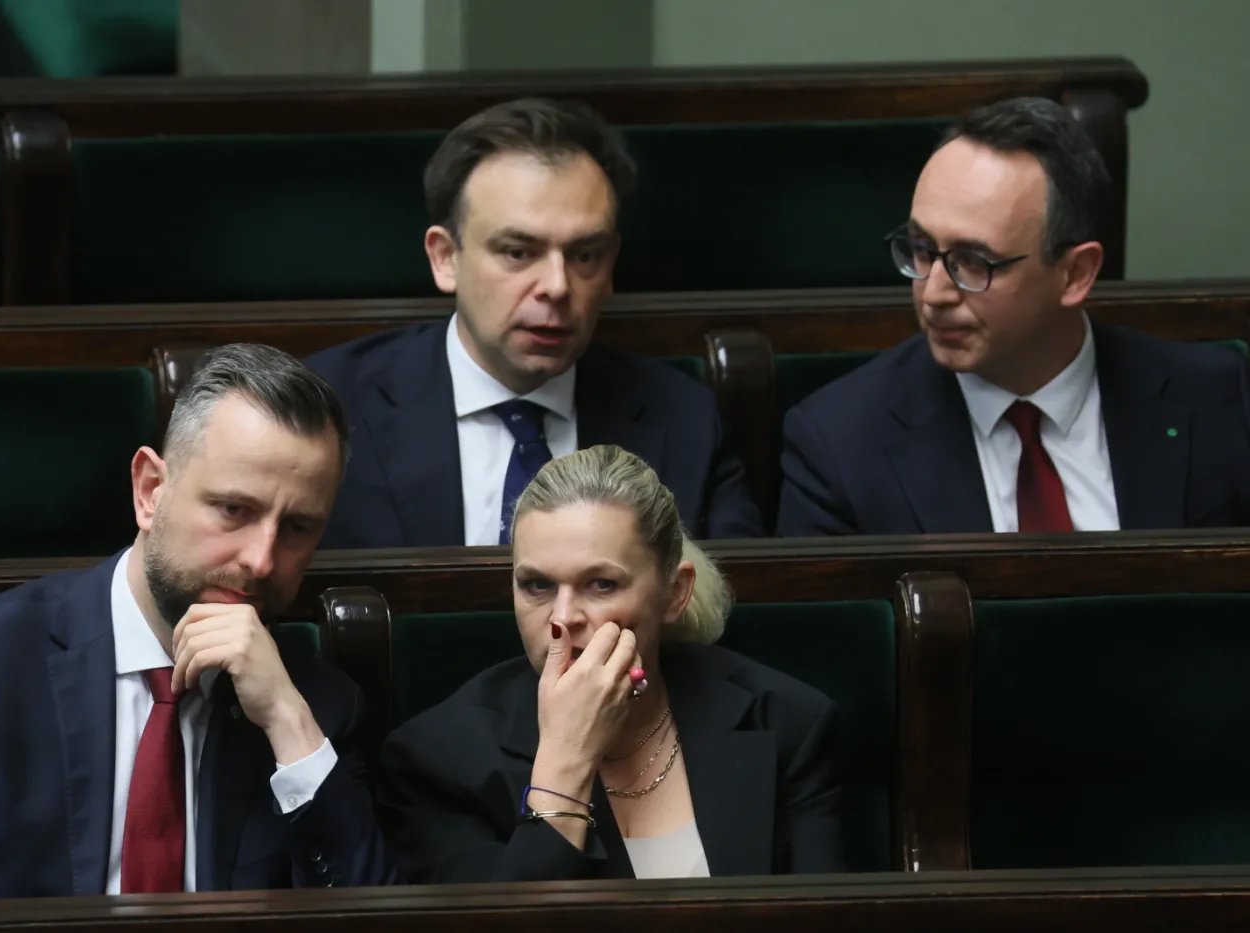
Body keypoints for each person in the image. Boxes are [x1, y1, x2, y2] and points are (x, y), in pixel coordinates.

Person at [0, 344, 397, 901]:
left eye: (299, 527)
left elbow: (367, 916)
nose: (261, 559)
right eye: (234, 509)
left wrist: (286, 721)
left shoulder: (316, 707)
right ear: (149, 491)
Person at [777, 96, 1250, 536]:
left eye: (974, 262)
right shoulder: (839, 444)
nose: (934, 293)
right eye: (922, 250)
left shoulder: (1220, 400)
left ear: (1075, 274)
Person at [307, 97, 762, 549]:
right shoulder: (330, 407)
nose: (558, 286)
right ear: (445, 258)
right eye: (518, 252)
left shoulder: (685, 421)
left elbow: (735, 604)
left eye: (585, 255)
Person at [379, 445, 842, 882]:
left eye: (601, 584)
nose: (563, 617)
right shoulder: (439, 758)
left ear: (674, 593)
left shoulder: (784, 721)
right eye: (537, 585)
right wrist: (566, 760)